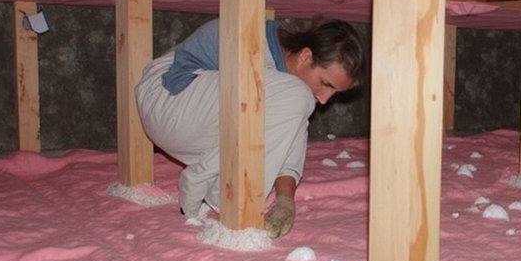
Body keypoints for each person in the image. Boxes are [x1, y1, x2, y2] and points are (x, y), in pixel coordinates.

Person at [135, 17, 366, 237]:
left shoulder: (286, 90)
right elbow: (175, 79)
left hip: (190, 115)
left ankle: (212, 182)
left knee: (296, 103)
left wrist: (285, 201)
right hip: (166, 96)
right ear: (305, 56)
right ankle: (224, 192)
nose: (324, 99)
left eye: (334, 93)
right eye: (325, 84)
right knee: (298, 96)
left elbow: (289, 139)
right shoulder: (251, 40)